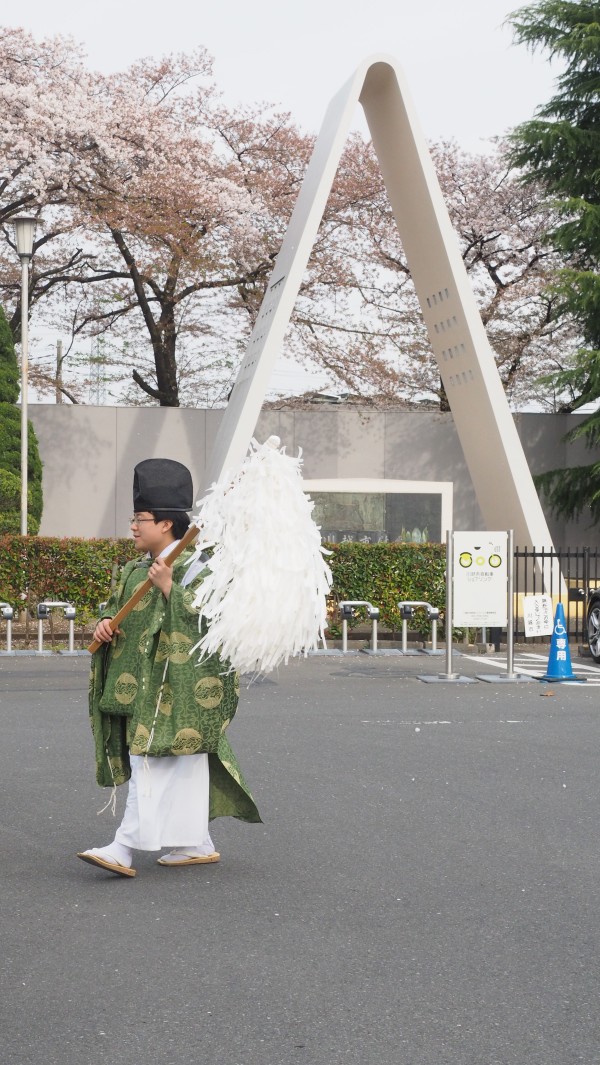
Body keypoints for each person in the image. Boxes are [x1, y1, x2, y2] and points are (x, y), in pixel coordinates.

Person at [78, 458, 261, 878]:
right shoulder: (133, 570)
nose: (132, 526)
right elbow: (116, 611)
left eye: (139, 518)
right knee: (183, 764)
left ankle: (122, 848)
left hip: (177, 689)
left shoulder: (203, 569)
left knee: (150, 758)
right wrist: (105, 624)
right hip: (140, 686)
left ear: (166, 524)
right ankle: (197, 843)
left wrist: (171, 591)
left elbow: (217, 629)